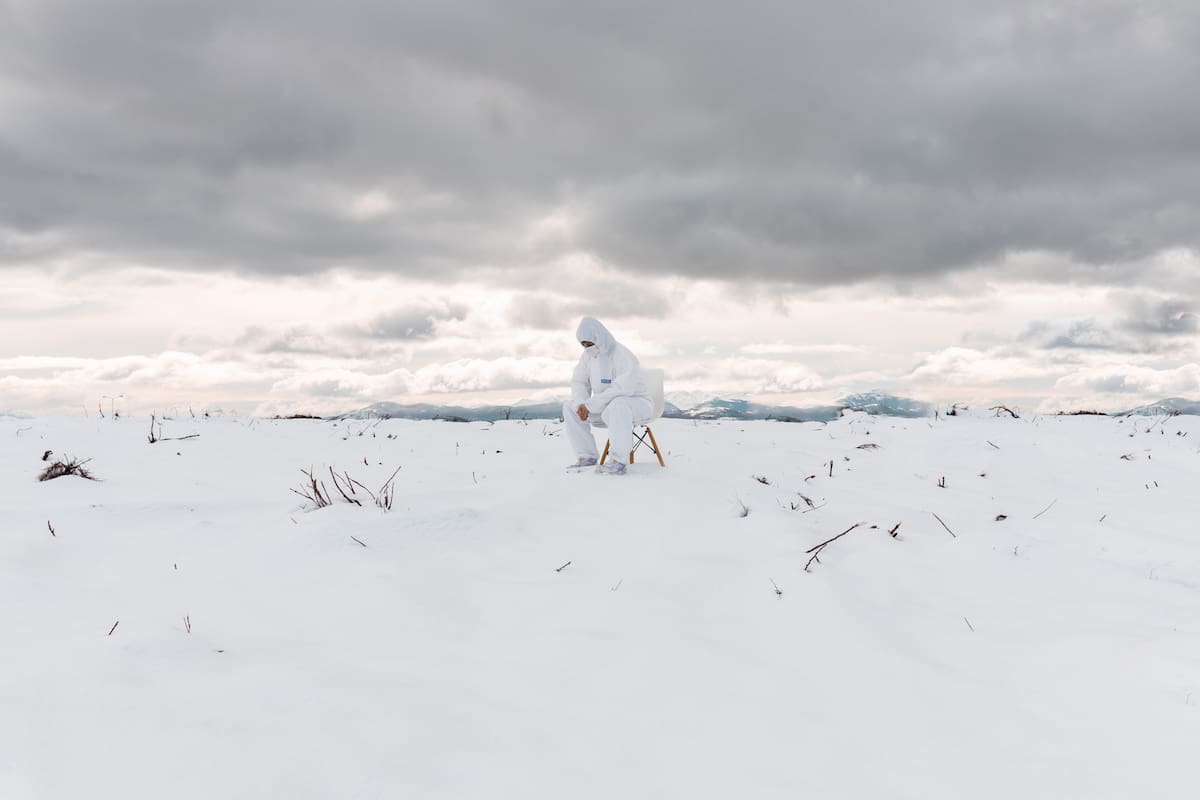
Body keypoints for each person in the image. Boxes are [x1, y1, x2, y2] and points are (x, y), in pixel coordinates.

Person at [563, 317, 652, 475]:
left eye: (589, 344)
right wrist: (581, 404)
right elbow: (579, 383)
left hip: (637, 404)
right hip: (604, 408)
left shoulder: (621, 354)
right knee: (570, 407)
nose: (586, 348)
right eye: (583, 345)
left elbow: (622, 389)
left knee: (618, 403)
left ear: (599, 338)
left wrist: (590, 405)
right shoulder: (587, 357)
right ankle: (587, 457)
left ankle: (618, 462)